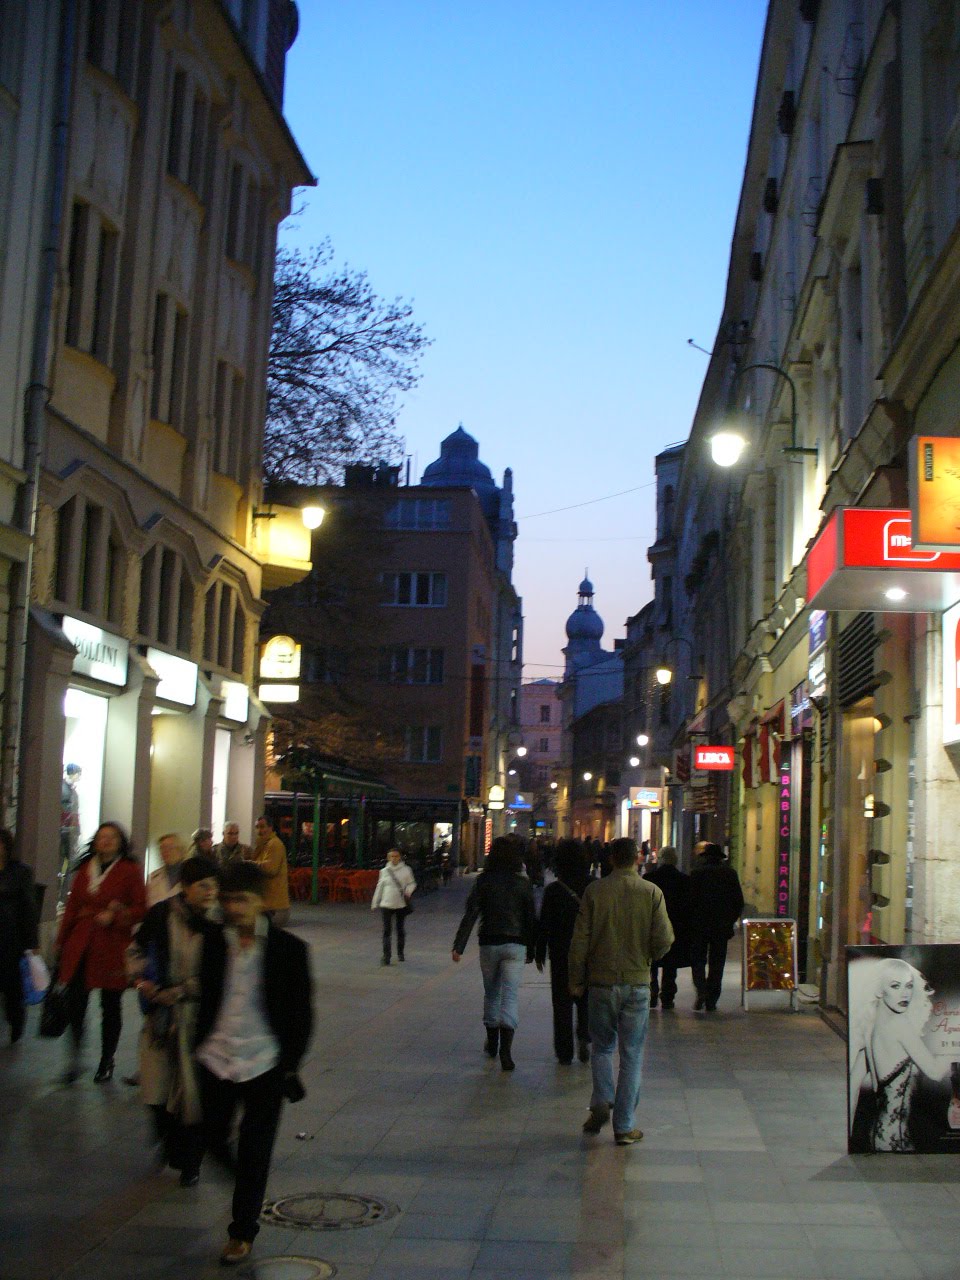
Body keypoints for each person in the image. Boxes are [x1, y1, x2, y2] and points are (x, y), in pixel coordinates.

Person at [195, 860, 313, 1266]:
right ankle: (244, 1182)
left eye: (242, 900)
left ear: (260, 902)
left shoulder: (289, 950)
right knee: (211, 1137)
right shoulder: (213, 943)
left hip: (264, 1062)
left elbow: (301, 1014)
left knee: (255, 1148)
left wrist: (290, 1063)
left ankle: (242, 1231)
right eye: (227, 900)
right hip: (215, 1058)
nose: (233, 908)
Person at [569, 836, 673, 1145]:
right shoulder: (651, 892)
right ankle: (624, 1125)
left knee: (602, 1047)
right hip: (637, 982)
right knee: (632, 1055)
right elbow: (665, 938)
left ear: (611, 858)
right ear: (638, 858)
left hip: (601, 982)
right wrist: (648, 956)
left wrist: (576, 978)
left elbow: (580, 941)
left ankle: (602, 1097)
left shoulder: (595, 892)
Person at [133, 856, 219, 1185]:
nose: (211, 892)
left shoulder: (218, 923)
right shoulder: (161, 914)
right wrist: (143, 981)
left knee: (191, 1096)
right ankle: (168, 1141)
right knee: (156, 1092)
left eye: (215, 886)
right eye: (204, 886)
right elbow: (136, 951)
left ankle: (190, 1162)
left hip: (198, 1020)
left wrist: (182, 990)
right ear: (186, 887)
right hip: (161, 1019)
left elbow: (218, 976)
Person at [56, 821, 146, 1083]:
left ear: (120, 842)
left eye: (112, 837)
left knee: (110, 1004)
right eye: (101, 837)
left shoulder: (129, 870)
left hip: (111, 944)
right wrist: (61, 941)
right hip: (81, 942)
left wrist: (116, 915)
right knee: (76, 1002)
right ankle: (75, 1058)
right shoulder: (86, 867)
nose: (105, 841)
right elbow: (72, 907)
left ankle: (107, 1059)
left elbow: (141, 908)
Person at [452, 836, 537, 1071]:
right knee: (510, 995)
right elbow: (530, 918)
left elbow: (471, 913)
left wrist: (459, 945)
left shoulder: (483, 881)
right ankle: (506, 1052)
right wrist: (532, 948)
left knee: (491, 993)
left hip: (489, 942)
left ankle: (492, 1042)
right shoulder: (522, 883)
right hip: (515, 945)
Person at [849, 957, 950, 1152]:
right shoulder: (900, 1026)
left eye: (909, 986)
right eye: (895, 986)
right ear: (879, 990)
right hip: (895, 1140)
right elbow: (936, 1072)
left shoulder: (871, 1030)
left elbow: (853, 1084)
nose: (905, 993)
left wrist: (851, 1137)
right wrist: (951, 1049)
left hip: (879, 1134)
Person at [535, 839, 591, 1064]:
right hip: (588, 952)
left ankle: (564, 1050)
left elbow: (544, 924)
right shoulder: (594, 887)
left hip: (561, 953)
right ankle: (585, 1035)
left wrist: (539, 951)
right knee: (587, 998)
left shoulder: (554, 890)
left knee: (561, 1002)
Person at [688, 840, 744, 1011]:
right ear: (720, 858)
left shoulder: (697, 873)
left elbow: (689, 900)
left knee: (698, 959)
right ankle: (712, 998)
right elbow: (738, 901)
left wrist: (691, 920)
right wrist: (730, 920)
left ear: (705, 857)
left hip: (699, 925)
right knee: (717, 962)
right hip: (721, 926)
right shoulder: (730, 873)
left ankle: (701, 990)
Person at [0, 827, 39, 1044]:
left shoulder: (20, 872)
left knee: (12, 984)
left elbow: (29, 907)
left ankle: (16, 1019)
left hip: (11, 937)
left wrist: (32, 941)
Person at [643, 846, 690, 1010]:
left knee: (652, 962)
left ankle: (652, 991)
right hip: (675, 926)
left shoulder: (649, 878)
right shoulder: (684, 880)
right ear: (675, 860)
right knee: (671, 963)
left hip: (653, 924)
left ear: (661, 859)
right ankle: (668, 996)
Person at [371, 848, 416, 965]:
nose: (394, 858)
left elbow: (412, 883)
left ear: (400, 857)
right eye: (391, 856)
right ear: (388, 858)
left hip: (401, 904)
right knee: (387, 931)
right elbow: (380, 887)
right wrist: (375, 902)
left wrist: (408, 891)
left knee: (400, 929)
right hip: (386, 904)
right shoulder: (384, 871)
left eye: (396, 856)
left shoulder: (406, 870)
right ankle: (386, 956)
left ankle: (400, 952)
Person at [251, 815, 290, 927]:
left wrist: (250, 864)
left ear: (270, 828)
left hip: (274, 908)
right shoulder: (263, 845)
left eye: (262, 827)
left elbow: (271, 869)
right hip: (267, 905)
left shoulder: (274, 844)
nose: (259, 830)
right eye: (257, 827)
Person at [146, 833, 187, 908]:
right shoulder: (153, 877)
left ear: (181, 850)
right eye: (162, 848)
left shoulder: (191, 874)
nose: (165, 851)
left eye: (170, 847)